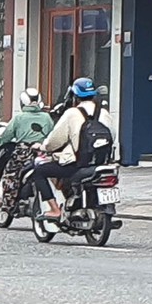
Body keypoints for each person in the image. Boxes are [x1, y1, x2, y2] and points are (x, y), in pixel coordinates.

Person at [33, 78, 114, 218]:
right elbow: (113, 136)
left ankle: (54, 210)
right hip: (102, 163)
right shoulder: (104, 113)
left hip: (78, 164)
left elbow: (55, 139)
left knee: (39, 172)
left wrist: (43, 146)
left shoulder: (72, 113)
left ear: (75, 96)